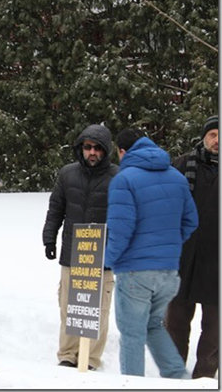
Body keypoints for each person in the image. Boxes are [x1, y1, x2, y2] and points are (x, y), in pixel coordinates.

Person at [105, 128, 198, 378]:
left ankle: (131, 384)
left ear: (122, 151)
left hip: (136, 273)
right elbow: (191, 220)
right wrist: (169, 247)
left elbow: (121, 229)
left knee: (133, 334)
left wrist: (107, 261)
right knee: (153, 326)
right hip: (169, 272)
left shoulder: (124, 180)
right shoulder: (177, 178)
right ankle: (178, 377)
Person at [42, 124, 118, 370]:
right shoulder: (67, 174)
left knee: (99, 310)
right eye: (87, 147)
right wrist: (49, 238)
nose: (92, 152)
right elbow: (56, 209)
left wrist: (118, 250)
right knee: (69, 306)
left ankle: (92, 359)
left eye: (97, 148)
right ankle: (67, 354)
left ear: (106, 151)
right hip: (72, 253)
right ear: (80, 149)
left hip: (103, 257)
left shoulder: (118, 177)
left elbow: (123, 217)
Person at [166, 115, 219, 379]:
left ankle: (204, 380)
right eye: (213, 134)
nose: (217, 140)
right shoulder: (182, 164)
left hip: (217, 263)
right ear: (204, 137)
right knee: (175, 323)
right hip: (183, 258)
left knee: (214, 330)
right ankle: (174, 377)